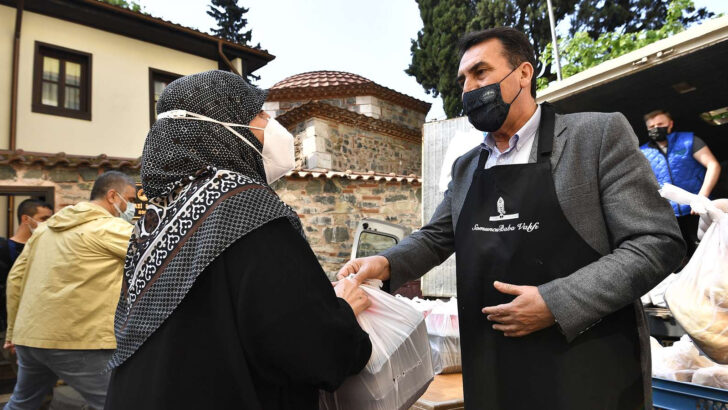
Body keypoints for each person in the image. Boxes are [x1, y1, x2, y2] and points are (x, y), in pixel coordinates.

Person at [338, 27, 684, 409]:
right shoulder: (467, 166)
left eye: (481, 72)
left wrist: (554, 302)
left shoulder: (595, 137)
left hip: (587, 368)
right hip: (494, 371)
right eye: (463, 79)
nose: (468, 88)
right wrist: (384, 263)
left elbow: (656, 243)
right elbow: (436, 237)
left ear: (523, 74)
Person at [104, 70, 372, 410]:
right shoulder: (247, 209)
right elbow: (314, 349)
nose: (271, 123)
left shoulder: (155, 218)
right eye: (258, 113)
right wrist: (344, 311)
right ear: (221, 127)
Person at [3, 171, 136, 410]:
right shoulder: (109, 228)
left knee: (22, 403)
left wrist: (13, 331)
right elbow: (157, 259)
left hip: (30, 337)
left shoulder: (44, 230)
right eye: (132, 199)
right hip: (79, 339)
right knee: (116, 402)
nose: (134, 206)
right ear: (113, 196)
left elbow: (16, 279)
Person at [642, 109, 722, 258]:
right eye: (651, 127)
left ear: (670, 124)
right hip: (669, 216)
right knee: (687, 256)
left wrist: (701, 198)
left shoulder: (688, 140)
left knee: (713, 251)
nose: (656, 129)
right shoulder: (643, 153)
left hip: (698, 208)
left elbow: (713, 165)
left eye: (660, 124)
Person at [0, 200, 53, 329]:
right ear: (25, 219)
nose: (48, 223)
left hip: (34, 321)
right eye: (44, 218)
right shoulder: (4, 248)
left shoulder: (48, 248)